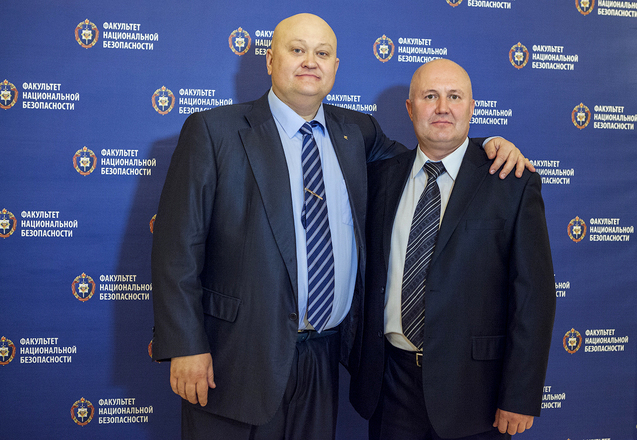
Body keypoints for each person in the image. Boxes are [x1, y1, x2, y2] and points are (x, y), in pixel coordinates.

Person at [151, 13, 530, 440]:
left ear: (335, 67)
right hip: (234, 359)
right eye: (297, 50)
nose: (310, 61)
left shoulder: (357, 132)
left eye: (322, 53)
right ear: (270, 60)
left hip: (323, 357)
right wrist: (186, 344)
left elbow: (431, 155)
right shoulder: (213, 131)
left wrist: (485, 146)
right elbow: (176, 248)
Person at [349, 59, 556, 439]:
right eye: (430, 96)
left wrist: (520, 395)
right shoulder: (380, 177)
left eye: (454, 97)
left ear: (472, 108)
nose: (442, 107)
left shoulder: (511, 181)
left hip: (476, 393)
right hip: (390, 387)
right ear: (411, 108)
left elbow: (534, 296)